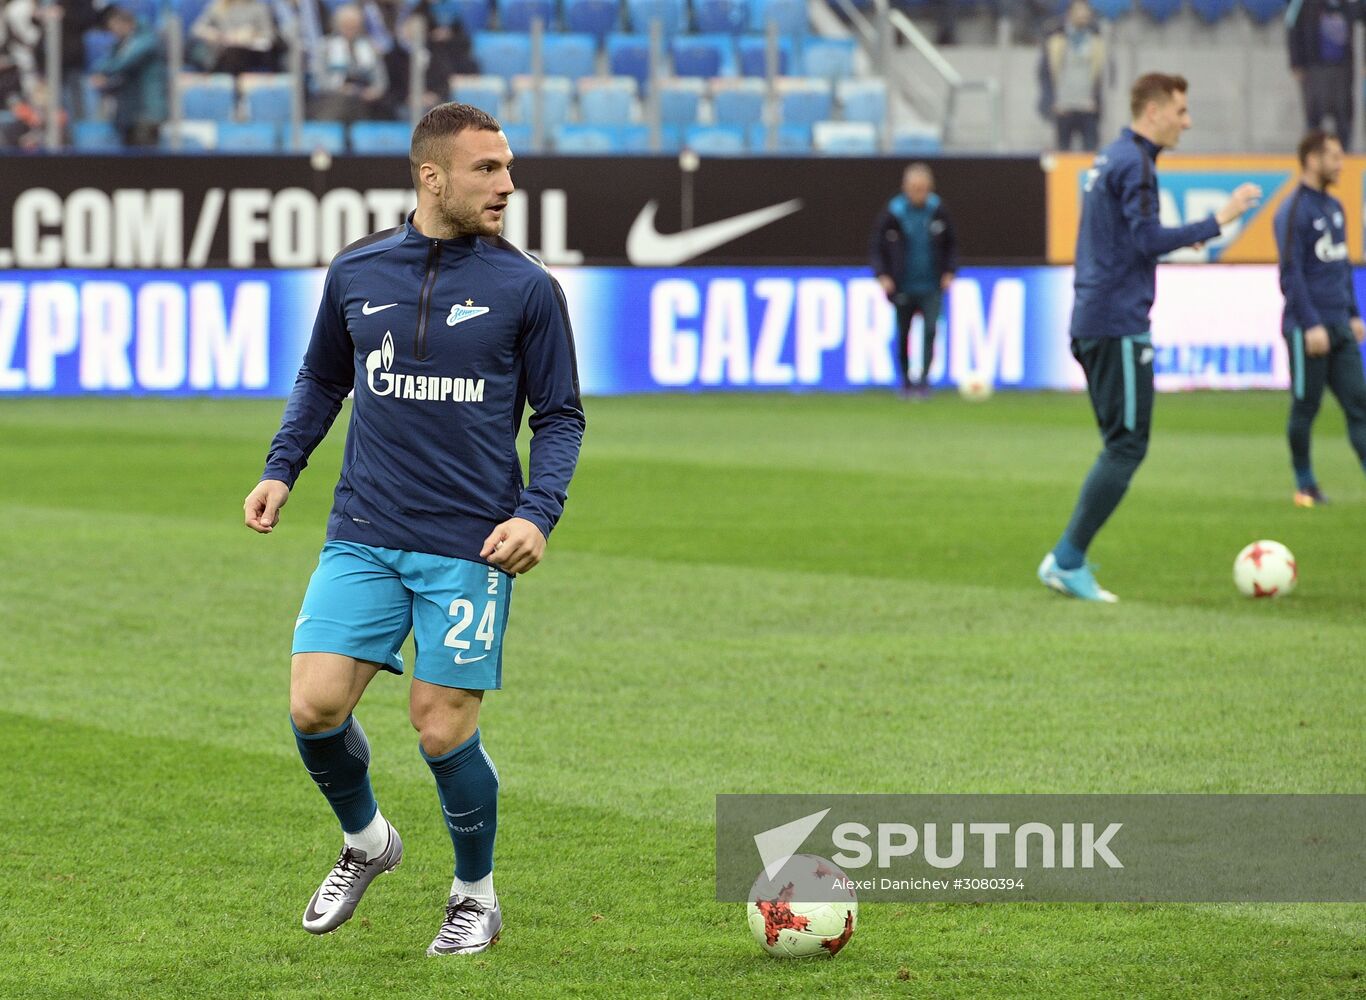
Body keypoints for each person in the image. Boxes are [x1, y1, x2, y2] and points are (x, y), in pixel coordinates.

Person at [242, 103, 585, 956]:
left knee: (439, 726)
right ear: (432, 177)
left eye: (508, 167)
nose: (508, 184)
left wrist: (536, 516)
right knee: (314, 708)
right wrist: (282, 468)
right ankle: (367, 841)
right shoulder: (356, 271)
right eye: (487, 170)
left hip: (469, 545)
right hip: (365, 527)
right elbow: (323, 378)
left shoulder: (528, 288)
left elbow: (562, 417)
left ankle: (476, 895)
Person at [1038, 72, 1261, 602]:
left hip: (1091, 315)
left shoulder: (1110, 157)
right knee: (1126, 445)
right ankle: (1067, 560)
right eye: (1181, 111)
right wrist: (1218, 220)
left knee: (1119, 444)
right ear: (1155, 110)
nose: (1187, 121)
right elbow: (1147, 240)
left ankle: (1068, 557)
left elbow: (1114, 238)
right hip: (1117, 322)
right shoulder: (1134, 164)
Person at [1273, 129, 1366, 507]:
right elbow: (1290, 273)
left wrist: (1353, 312)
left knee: (1359, 402)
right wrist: (1311, 323)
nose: (1339, 164)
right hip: (1306, 328)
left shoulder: (1334, 207)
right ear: (1312, 159)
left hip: (1340, 323)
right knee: (1306, 406)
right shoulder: (1293, 209)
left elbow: (1341, 265)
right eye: (1334, 157)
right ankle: (1305, 483)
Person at [869, 163, 957, 398]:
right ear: (905, 187)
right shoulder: (894, 212)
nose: (918, 192)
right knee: (903, 333)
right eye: (914, 188)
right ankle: (906, 381)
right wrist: (882, 275)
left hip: (931, 285)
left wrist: (949, 271)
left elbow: (952, 245)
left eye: (922, 188)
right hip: (903, 284)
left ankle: (925, 380)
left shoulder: (938, 211)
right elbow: (877, 247)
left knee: (930, 331)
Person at [89, 6, 166, 148]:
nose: (114, 33)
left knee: (146, 160)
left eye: (114, 28)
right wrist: (103, 78)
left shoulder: (147, 39)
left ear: (124, 23)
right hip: (128, 113)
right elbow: (103, 62)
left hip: (146, 112)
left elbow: (124, 62)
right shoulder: (123, 43)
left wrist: (105, 73)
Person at [1286, 0, 1358, 150]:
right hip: (1315, 68)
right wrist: (1296, 62)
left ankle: (1343, 154)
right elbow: (1292, 27)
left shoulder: (1347, 4)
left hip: (1342, 68)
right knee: (1314, 116)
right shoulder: (1302, 3)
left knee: (1343, 115)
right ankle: (1313, 155)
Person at [1040, 0, 1106, 152]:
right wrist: (1052, 101)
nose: (1083, 15)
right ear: (1070, 14)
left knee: (1091, 153)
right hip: (1064, 106)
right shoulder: (1056, 41)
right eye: (1079, 12)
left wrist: (1097, 100)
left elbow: (1104, 75)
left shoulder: (1096, 41)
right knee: (1063, 152)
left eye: (1086, 12)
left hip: (1088, 106)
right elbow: (1045, 74)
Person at [309, 4, 389, 123]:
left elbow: (380, 79)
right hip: (332, 98)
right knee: (343, 103)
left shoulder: (370, 47)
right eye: (346, 26)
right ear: (337, 25)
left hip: (364, 98)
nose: (350, 30)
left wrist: (374, 91)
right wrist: (340, 88)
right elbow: (319, 79)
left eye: (354, 26)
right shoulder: (325, 46)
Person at [190, 0, 279, 74]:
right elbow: (197, 29)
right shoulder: (217, 6)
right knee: (227, 53)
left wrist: (253, 34)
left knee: (235, 54)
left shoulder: (259, 7)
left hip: (249, 52)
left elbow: (270, 36)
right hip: (222, 51)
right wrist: (216, 35)